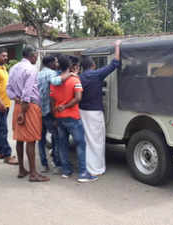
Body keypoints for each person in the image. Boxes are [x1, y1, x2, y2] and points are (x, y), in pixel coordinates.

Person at [50, 55, 98, 183]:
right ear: (70, 66)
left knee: (63, 144)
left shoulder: (55, 81)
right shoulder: (75, 80)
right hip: (72, 117)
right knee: (80, 144)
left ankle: (66, 171)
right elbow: (78, 98)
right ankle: (83, 173)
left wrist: (56, 112)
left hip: (59, 118)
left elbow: (52, 99)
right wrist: (65, 106)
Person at [6, 46, 50, 182]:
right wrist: (24, 111)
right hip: (28, 106)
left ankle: (21, 169)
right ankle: (33, 174)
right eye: (36, 55)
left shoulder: (13, 68)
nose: (37, 58)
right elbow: (27, 91)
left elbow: (8, 89)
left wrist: (16, 99)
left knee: (20, 138)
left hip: (18, 104)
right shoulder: (31, 69)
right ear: (32, 55)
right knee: (31, 140)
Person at [78, 40, 121, 176]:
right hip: (94, 113)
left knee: (87, 140)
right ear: (93, 65)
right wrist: (117, 46)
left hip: (82, 112)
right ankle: (95, 169)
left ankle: (88, 167)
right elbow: (115, 64)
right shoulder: (96, 75)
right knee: (96, 142)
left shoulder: (79, 77)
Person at [37, 55, 72, 173]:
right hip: (49, 111)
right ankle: (57, 164)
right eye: (55, 62)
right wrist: (70, 74)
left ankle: (44, 164)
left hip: (38, 110)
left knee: (41, 139)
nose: (57, 64)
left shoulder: (39, 73)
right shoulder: (51, 73)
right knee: (56, 137)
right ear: (50, 63)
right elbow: (56, 81)